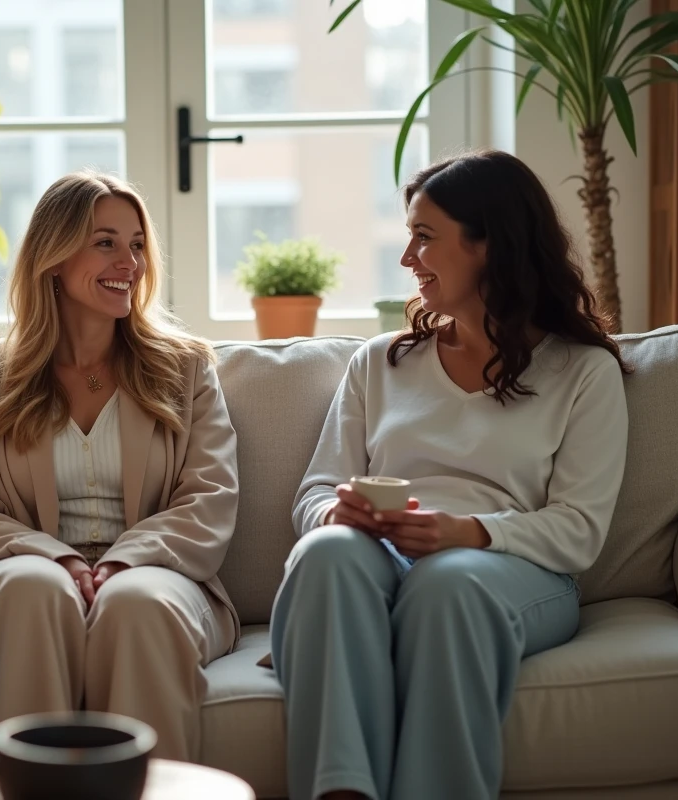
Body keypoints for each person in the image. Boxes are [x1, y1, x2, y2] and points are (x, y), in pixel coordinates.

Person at [269, 150, 630, 800]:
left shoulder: (582, 373)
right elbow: (316, 492)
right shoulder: (381, 364)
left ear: (490, 246)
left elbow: (578, 531)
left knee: (447, 585)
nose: (407, 258)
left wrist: (465, 531)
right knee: (325, 555)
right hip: (382, 558)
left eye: (425, 237)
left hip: (508, 571)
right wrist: (336, 514)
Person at [0, 171, 240, 762]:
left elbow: (209, 503)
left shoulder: (187, 369)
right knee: (34, 590)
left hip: (158, 577)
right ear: (52, 258)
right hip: (20, 578)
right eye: (106, 242)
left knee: (136, 603)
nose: (130, 261)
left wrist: (122, 560)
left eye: (138, 244)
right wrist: (59, 558)